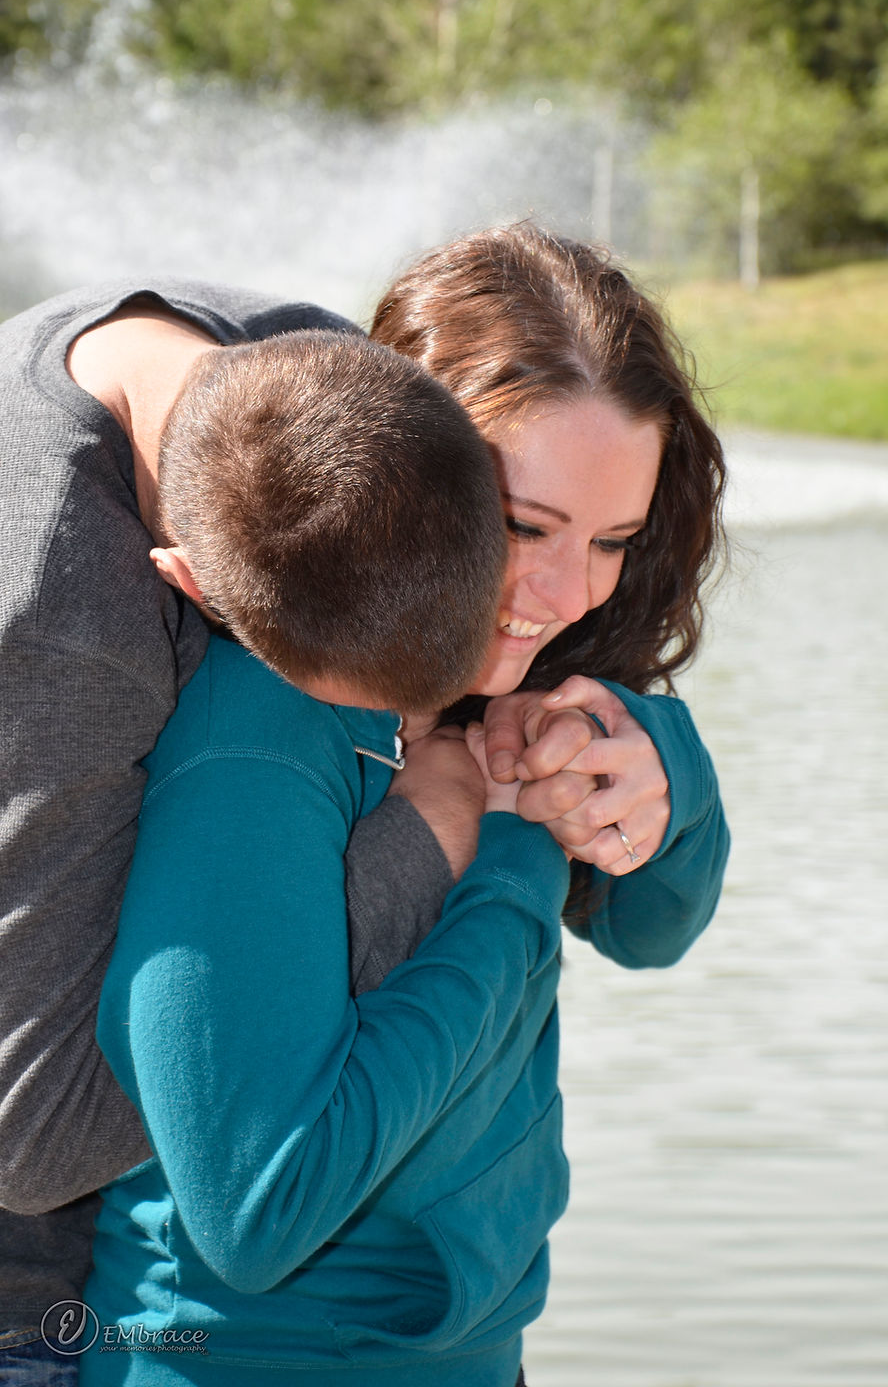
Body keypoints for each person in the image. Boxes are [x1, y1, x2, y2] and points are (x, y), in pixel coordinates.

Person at [79, 226, 730, 1386]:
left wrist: (660, 774)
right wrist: (512, 842)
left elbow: (652, 925)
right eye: (525, 526)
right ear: (407, 462)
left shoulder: (525, 685)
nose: (563, 593)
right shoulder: (268, 715)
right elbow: (253, 1204)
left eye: (612, 540)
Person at [0, 280, 507, 1383]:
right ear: (183, 584)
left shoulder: (311, 384)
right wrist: (429, 830)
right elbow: (32, 1139)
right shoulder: (60, 616)